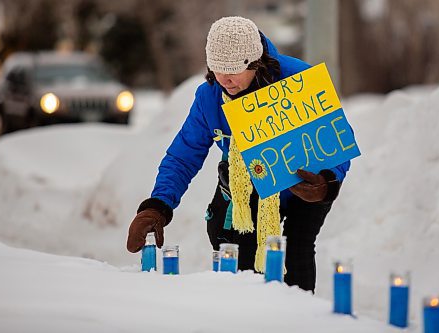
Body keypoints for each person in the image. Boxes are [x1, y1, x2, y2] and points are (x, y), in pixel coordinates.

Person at [126, 16, 350, 293]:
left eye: (232, 70)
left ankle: (296, 315)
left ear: (255, 63)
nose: (225, 80)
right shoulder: (210, 96)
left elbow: (334, 142)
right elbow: (184, 154)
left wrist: (327, 183)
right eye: (217, 70)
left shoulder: (298, 80)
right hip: (245, 185)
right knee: (233, 251)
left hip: (305, 186)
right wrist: (157, 205)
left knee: (296, 251)